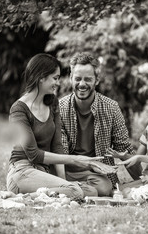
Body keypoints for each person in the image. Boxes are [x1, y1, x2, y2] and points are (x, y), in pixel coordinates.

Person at [6, 53, 117, 200]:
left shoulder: (52, 103)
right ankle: (17, 197)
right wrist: (75, 160)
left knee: (92, 192)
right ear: (41, 77)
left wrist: (64, 182)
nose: (58, 83)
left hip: (44, 170)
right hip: (23, 171)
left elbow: (57, 146)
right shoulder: (18, 109)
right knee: (76, 192)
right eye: (55, 78)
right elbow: (33, 154)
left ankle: (46, 193)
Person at [59, 52, 142, 196]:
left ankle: (76, 190)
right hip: (66, 170)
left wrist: (143, 181)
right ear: (71, 79)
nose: (82, 84)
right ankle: (75, 188)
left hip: (97, 175)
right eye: (77, 79)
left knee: (104, 188)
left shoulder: (111, 108)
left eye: (88, 79)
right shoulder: (60, 107)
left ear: (97, 80)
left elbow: (124, 149)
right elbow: (61, 153)